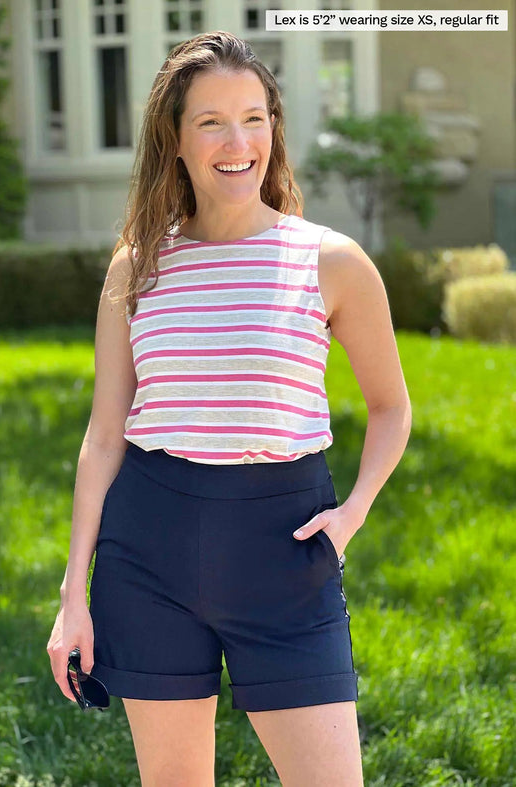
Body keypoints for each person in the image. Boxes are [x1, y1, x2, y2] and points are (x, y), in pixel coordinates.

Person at [47, 30, 411, 787]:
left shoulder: (331, 261)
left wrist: (353, 513)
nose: (236, 140)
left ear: (274, 129)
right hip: (148, 547)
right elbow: (104, 433)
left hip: (285, 545)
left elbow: (390, 408)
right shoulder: (137, 266)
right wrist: (71, 595)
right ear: (174, 139)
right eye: (210, 120)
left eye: (254, 116)